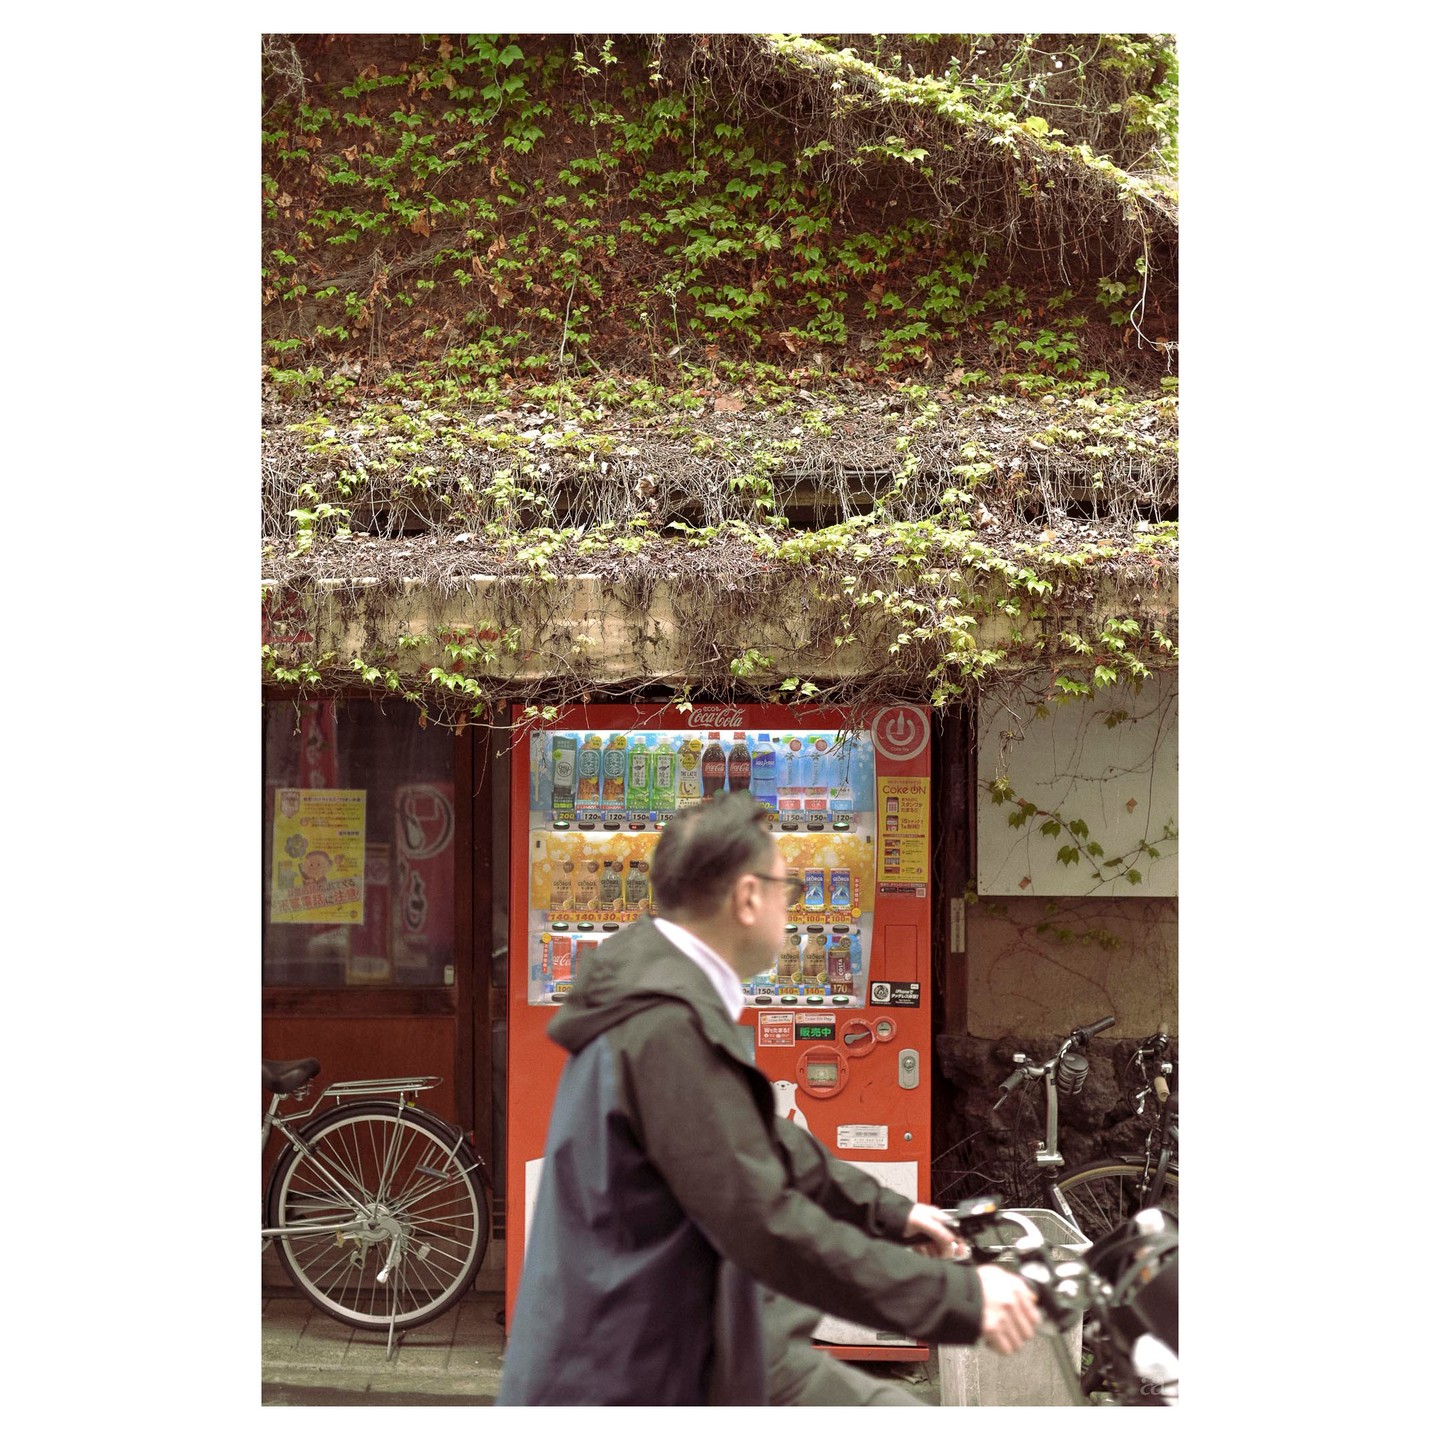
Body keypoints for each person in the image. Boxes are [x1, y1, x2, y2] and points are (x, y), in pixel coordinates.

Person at [498, 793, 1039, 1406]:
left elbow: (763, 1140)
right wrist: (960, 1298)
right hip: (627, 1380)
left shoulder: (661, 997)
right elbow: (764, 1221)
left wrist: (891, 1213)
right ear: (749, 897)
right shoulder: (664, 1028)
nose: (793, 903)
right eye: (789, 887)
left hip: (692, 1342)